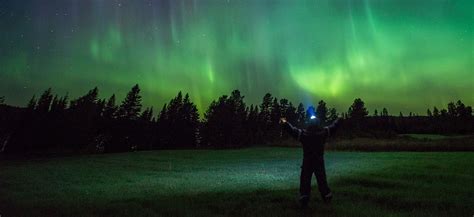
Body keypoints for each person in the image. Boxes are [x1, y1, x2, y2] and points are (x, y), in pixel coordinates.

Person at [280, 116, 341, 208]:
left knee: (305, 181)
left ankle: (304, 199)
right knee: (322, 181)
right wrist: (339, 119)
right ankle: (327, 198)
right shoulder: (323, 133)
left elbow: (292, 131)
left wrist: (285, 123)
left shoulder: (304, 134)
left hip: (307, 162)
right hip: (319, 162)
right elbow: (334, 127)